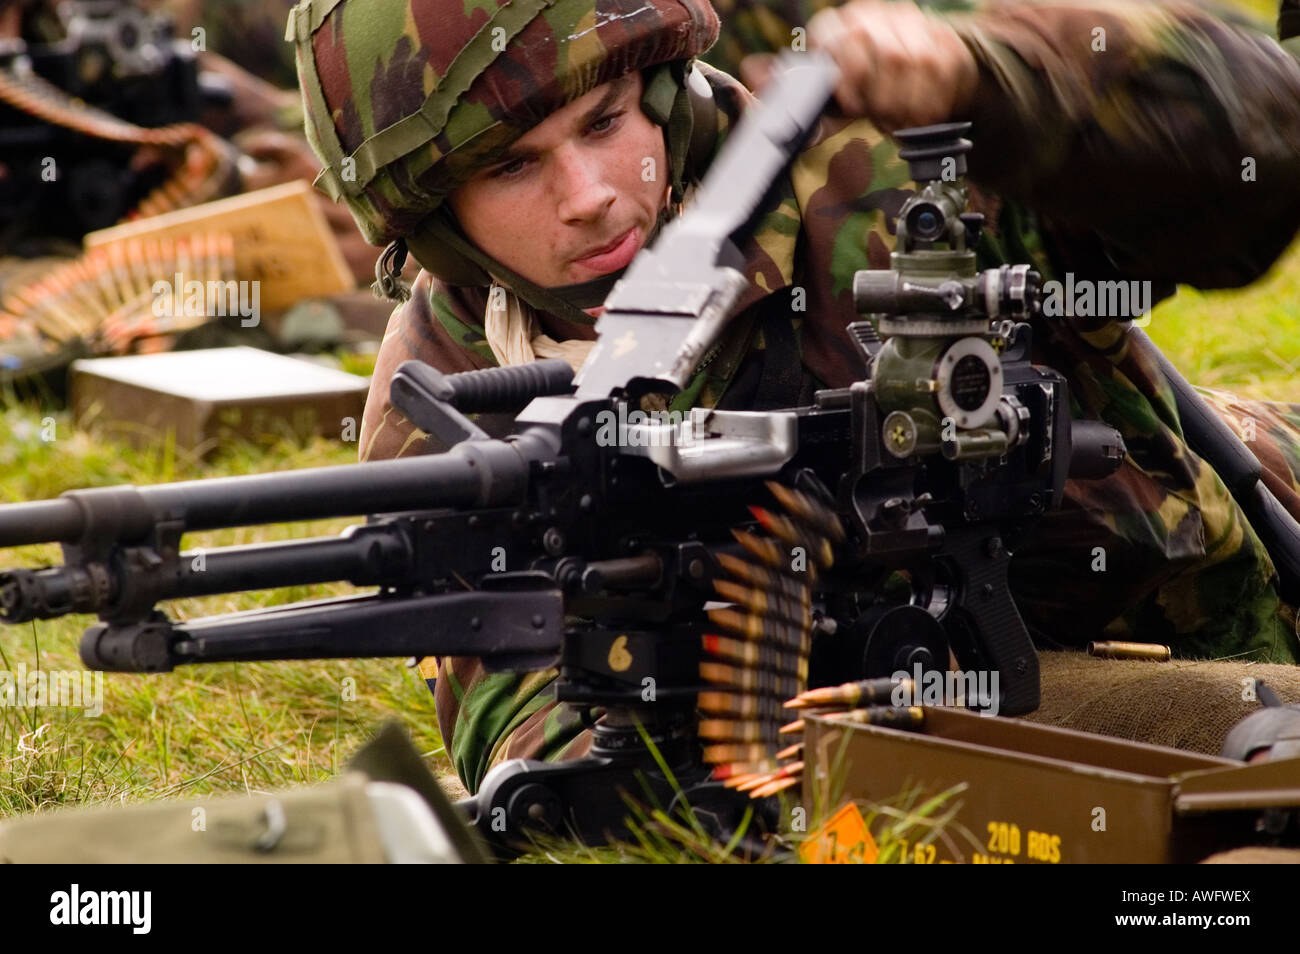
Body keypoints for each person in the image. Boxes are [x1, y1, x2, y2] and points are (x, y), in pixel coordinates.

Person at [292, 0, 1300, 791]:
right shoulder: (450, 416)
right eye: (512, 166)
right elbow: (529, 722)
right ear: (433, 221)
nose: (591, 192)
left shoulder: (882, 165)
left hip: (1237, 509)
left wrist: (995, 79)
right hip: (1036, 699)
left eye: (605, 123)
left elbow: (1255, 156)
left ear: (660, 91)